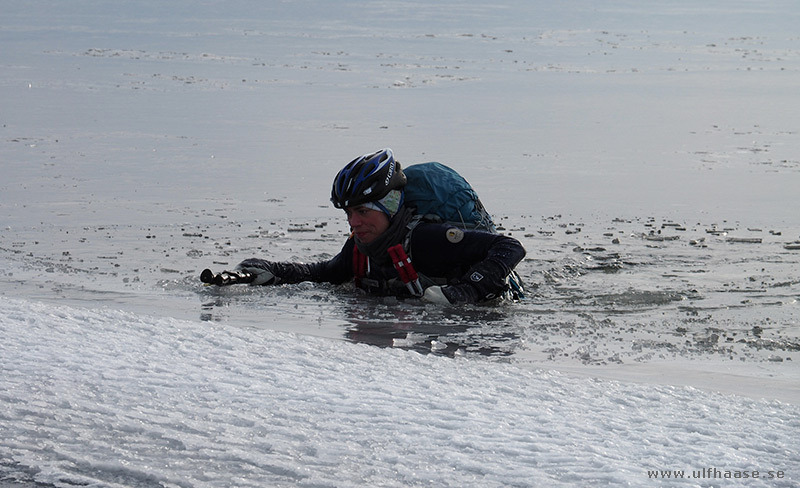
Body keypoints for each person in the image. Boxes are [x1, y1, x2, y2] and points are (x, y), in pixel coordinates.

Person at [234, 148, 526, 304]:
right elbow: (328, 272)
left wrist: (466, 291)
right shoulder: (363, 247)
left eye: (362, 211)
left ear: (389, 206)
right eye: (349, 212)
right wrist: (274, 271)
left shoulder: (426, 240)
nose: (353, 222)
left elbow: (509, 247)